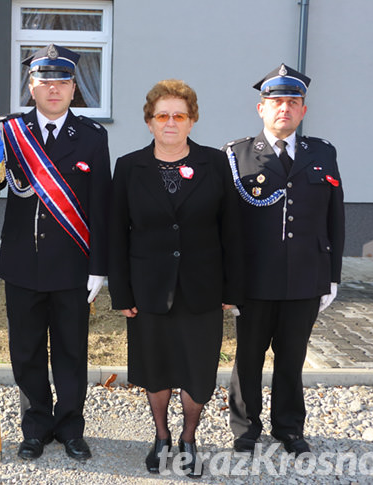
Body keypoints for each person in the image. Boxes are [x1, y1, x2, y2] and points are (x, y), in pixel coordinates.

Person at [108, 79, 243, 477]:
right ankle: (161, 436)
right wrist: (121, 292)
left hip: (202, 288)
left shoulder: (215, 164)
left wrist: (232, 289)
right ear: (149, 121)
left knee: (197, 371)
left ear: (192, 120)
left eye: (179, 115)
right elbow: (116, 233)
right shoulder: (129, 167)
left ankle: (188, 438)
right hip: (148, 288)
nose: (170, 122)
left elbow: (231, 230)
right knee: (157, 367)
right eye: (162, 115)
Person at [0, 44, 111, 462]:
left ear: (73, 87)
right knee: (25, 351)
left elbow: (101, 207)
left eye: (62, 81)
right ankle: (35, 428)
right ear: (32, 86)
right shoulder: (8, 132)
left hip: (72, 268)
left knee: (70, 351)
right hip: (22, 264)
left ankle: (70, 428)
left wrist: (99, 267)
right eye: (45, 80)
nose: (54, 88)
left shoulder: (93, 138)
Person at [223, 63, 345, 455]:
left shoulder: (322, 153)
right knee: (248, 358)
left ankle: (289, 428)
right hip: (254, 281)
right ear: (261, 109)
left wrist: (333, 276)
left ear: (303, 111)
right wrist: (228, 283)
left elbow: (334, 218)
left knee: (293, 357)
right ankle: (245, 428)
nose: (284, 109)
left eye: (293, 102)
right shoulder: (237, 155)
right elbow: (225, 227)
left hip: (305, 278)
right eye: (276, 102)